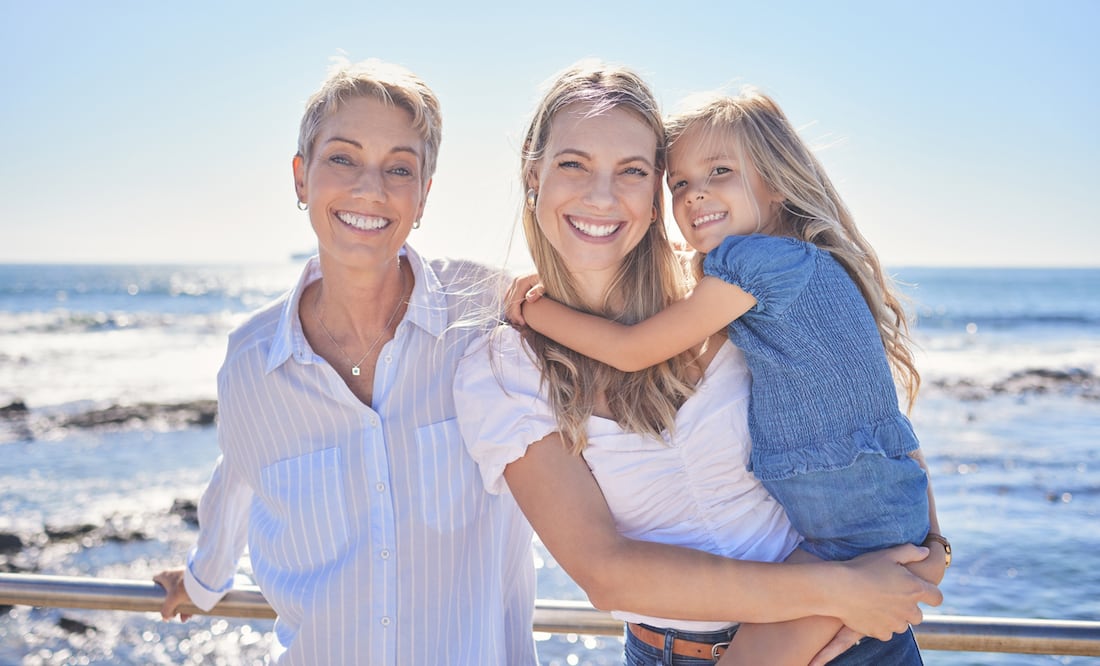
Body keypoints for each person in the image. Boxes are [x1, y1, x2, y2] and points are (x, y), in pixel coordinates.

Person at [455, 60, 943, 666]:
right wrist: (842, 589)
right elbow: (608, 574)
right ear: (534, 175)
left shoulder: (725, 298)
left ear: (653, 194)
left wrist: (930, 545)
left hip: (855, 636)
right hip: (775, 621)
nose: (601, 195)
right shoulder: (504, 367)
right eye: (573, 163)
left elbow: (862, 403)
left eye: (632, 171)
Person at [153, 58, 537, 666]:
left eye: (399, 168)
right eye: (342, 158)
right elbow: (236, 479)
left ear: (424, 195)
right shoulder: (253, 363)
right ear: (301, 179)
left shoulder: (490, 318)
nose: (370, 188)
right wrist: (202, 584)